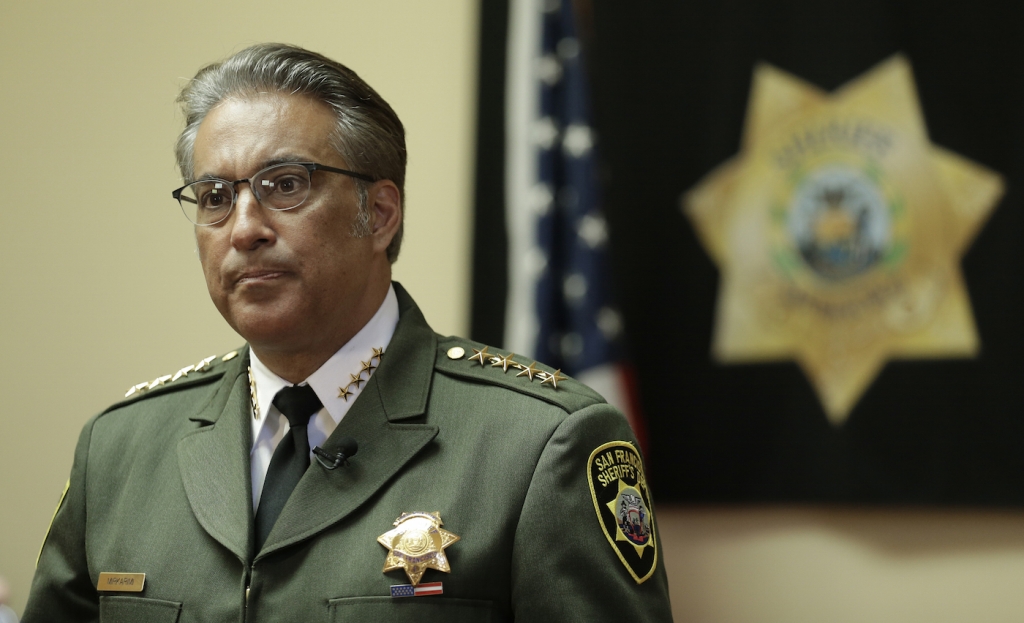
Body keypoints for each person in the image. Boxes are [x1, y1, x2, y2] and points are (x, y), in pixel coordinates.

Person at [23, 43, 672, 621]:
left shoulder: (538, 443)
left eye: (284, 185)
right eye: (215, 195)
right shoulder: (119, 450)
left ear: (380, 213)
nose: (243, 227)